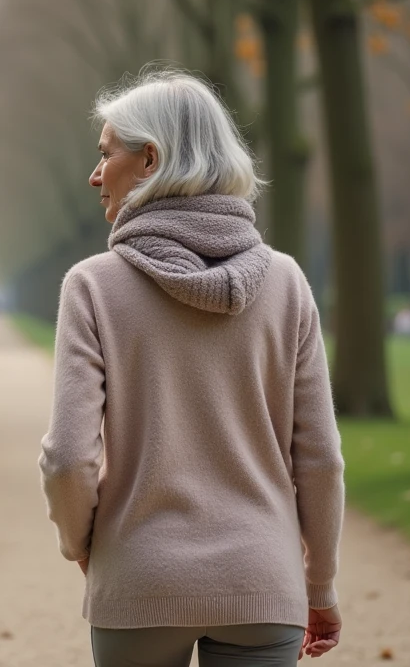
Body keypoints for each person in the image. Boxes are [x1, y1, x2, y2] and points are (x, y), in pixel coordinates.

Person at [39, 71, 345, 667]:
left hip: (140, 576)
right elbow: (321, 457)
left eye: (106, 155)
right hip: (263, 583)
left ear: (150, 158)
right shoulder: (285, 283)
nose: (95, 175)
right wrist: (320, 583)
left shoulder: (93, 287)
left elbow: (69, 457)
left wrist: (81, 543)